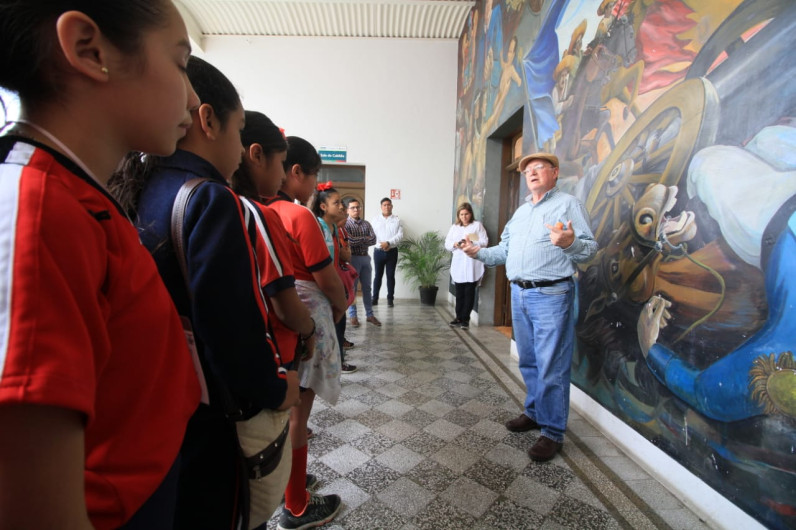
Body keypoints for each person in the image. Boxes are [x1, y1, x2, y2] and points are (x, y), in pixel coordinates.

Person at [0, 2, 201, 528]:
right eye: (181, 63)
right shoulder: (35, 208)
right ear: (90, 50)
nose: (195, 96)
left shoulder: (78, 196)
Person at [115, 57, 300, 529]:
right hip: (209, 414)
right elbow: (230, 328)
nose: (240, 148)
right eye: (239, 130)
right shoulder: (210, 199)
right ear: (208, 119)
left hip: (155, 410)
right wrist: (276, 389)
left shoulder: (139, 187)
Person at [462, 152, 597, 461]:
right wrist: (477, 252)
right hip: (519, 294)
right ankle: (535, 412)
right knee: (530, 361)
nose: (532, 173)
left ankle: (552, 431)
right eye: (527, 170)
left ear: (555, 173)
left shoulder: (568, 205)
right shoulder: (521, 212)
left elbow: (588, 251)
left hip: (552, 295)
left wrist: (568, 243)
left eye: (539, 168)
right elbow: (504, 251)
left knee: (552, 364)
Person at [265, 136, 346, 530]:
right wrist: (343, 304)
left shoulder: (253, 209)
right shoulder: (299, 217)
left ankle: (285, 482)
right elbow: (326, 279)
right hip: (304, 317)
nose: (315, 186)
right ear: (295, 171)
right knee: (299, 412)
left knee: (282, 409)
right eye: (313, 176)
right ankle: (296, 504)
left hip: (269, 318)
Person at [310, 184, 357, 374]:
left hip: (336, 286)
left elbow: (345, 256)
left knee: (339, 327)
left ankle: (337, 364)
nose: (341, 207)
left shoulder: (334, 229)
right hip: (324, 289)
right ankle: (329, 366)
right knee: (330, 330)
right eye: (336, 203)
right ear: (323, 206)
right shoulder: (317, 228)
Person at [445, 202, 488, 329]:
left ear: (470, 214)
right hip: (459, 263)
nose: (464, 217)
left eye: (466, 214)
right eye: (462, 214)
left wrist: (471, 242)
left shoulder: (477, 226)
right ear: (459, 215)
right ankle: (458, 317)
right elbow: (447, 243)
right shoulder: (454, 227)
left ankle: (465, 319)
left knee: (470, 292)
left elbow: (484, 241)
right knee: (459, 292)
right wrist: (455, 244)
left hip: (472, 263)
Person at [345, 198, 381, 327]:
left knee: (367, 288)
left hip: (365, 258)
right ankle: (353, 316)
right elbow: (350, 241)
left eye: (358, 207)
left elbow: (373, 240)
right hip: (353, 258)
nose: (356, 209)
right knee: (352, 288)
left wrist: (359, 239)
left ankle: (370, 315)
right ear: (347, 210)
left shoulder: (366, 224)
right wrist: (364, 238)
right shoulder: (346, 224)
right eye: (353, 207)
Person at [371, 197, 404, 307]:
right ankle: (374, 298)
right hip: (378, 251)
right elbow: (372, 235)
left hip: (392, 251)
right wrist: (382, 245)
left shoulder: (397, 220)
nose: (387, 207)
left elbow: (400, 235)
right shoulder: (375, 220)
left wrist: (388, 243)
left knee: (390, 276)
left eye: (388, 205)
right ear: (381, 207)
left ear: (392, 206)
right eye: (384, 205)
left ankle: (390, 299)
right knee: (377, 276)